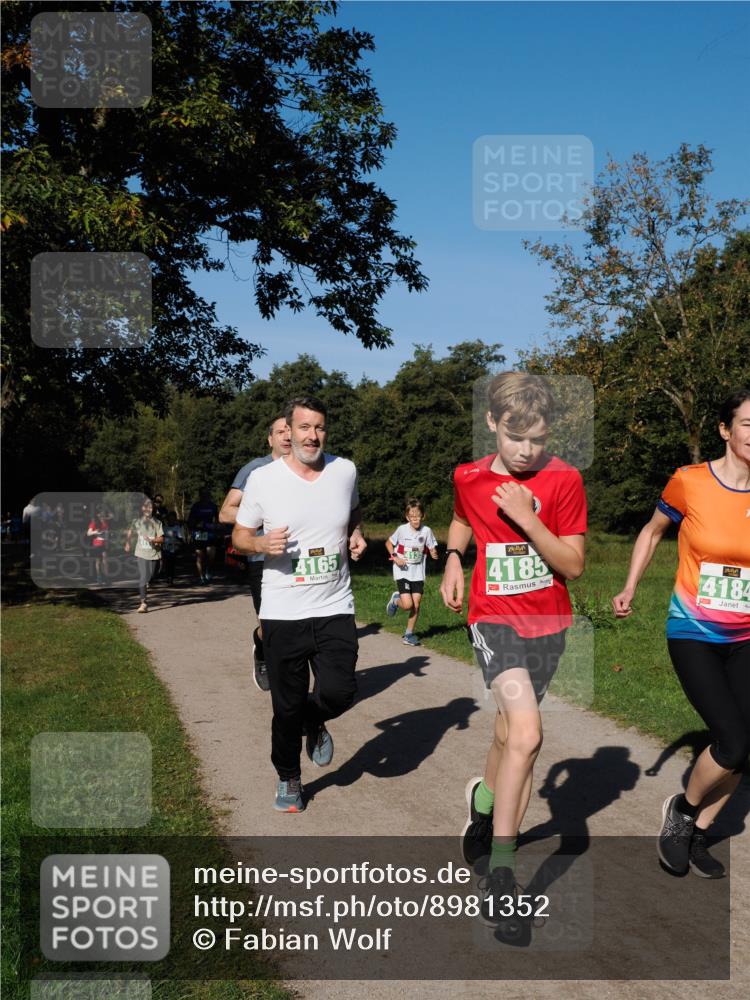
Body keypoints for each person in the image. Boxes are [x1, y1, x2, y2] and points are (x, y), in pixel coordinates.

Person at [440, 371, 586, 923]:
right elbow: (460, 518)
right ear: (491, 424)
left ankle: (483, 803)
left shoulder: (565, 480)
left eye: (539, 439)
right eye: (514, 437)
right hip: (493, 620)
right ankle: (503, 876)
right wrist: (454, 558)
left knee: (509, 735)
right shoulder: (469, 476)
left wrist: (527, 518)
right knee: (528, 732)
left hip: (548, 624)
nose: (526, 451)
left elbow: (572, 563)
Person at [613, 388, 750, 879]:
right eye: (748, 424)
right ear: (725, 429)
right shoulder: (690, 481)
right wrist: (630, 585)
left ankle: (699, 831)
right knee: (732, 741)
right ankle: (683, 812)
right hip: (694, 629)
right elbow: (652, 531)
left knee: (746, 743)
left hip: (746, 635)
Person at [232, 395, 367, 813]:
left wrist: (357, 534)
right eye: (304, 427)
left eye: (320, 427)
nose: (313, 435)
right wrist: (258, 543)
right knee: (285, 706)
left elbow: (354, 510)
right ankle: (289, 777)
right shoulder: (264, 480)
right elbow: (239, 536)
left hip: (334, 604)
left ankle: (315, 718)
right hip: (283, 611)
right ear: (288, 431)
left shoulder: (344, 471)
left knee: (341, 692)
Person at [219, 415, 292, 691]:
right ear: (270, 438)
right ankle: (261, 647)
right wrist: (262, 516)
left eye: (289, 430)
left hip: (298, 559)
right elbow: (226, 511)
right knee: (271, 625)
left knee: (296, 624)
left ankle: (291, 684)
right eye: (279, 432)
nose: (286, 436)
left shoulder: (306, 470)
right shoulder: (256, 468)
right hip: (262, 558)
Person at [385, 497, 439, 645]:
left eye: (418, 516)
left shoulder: (427, 531)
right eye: (412, 516)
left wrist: (433, 553)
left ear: (423, 516)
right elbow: (388, 543)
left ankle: (408, 635)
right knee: (407, 605)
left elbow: (432, 547)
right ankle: (396, 600)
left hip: (418, 573)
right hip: (402, 571)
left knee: (416, 604)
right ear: (407, 517)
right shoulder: (402, 530)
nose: (415, 519)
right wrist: (395, 557)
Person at [124, 497, 164, 613]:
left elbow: (161, 539)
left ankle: (148, 581)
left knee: (151, 576)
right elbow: (130, 531)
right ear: (142, 509)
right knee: (143, 576)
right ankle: (143, 603)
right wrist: (127, 542)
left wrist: (152, 540)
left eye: (151, 507)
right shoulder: (137, 522)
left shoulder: (157, 523)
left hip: (154, 553)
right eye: (147, 507)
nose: (149, 509)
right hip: (141, 553)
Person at [187, 487, 220, 584]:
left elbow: (218, 520)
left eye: (207, 494)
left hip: (210, 533)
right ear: (200, 495)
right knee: (199, 556)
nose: (205, 496)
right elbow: (190, 521)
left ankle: (208, 570)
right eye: (203, 494)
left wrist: (216, 528)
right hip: (199, 533)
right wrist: (194, 527)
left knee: (211, 555)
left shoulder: (213, 506)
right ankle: (201, 577)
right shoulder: (196, 506)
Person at [87, 505, 110, 585]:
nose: (102, 516)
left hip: (104, 544)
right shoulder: (94, 523)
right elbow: (88, 533)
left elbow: (106, 533)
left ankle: (106, 578)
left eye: (103, 514)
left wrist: (107, 538)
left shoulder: (105, 523)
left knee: (105, 559)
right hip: (96, 544)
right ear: (98, 515)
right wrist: (96, 532)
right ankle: (99, 577)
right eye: (101, 514)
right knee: (98, 561)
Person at [161, 511, 184, 585]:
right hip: (165, 548)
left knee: (172, 563)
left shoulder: (177, 528)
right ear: (167, 519)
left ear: (175, 519)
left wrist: (178, 543)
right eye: (169, 518)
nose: (171, 520)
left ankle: (170, 578)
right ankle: (168, 577)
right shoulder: (164, 528)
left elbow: (181, 539)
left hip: (174, 548)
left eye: (173, 518)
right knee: (167, 563)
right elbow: (161, 538)